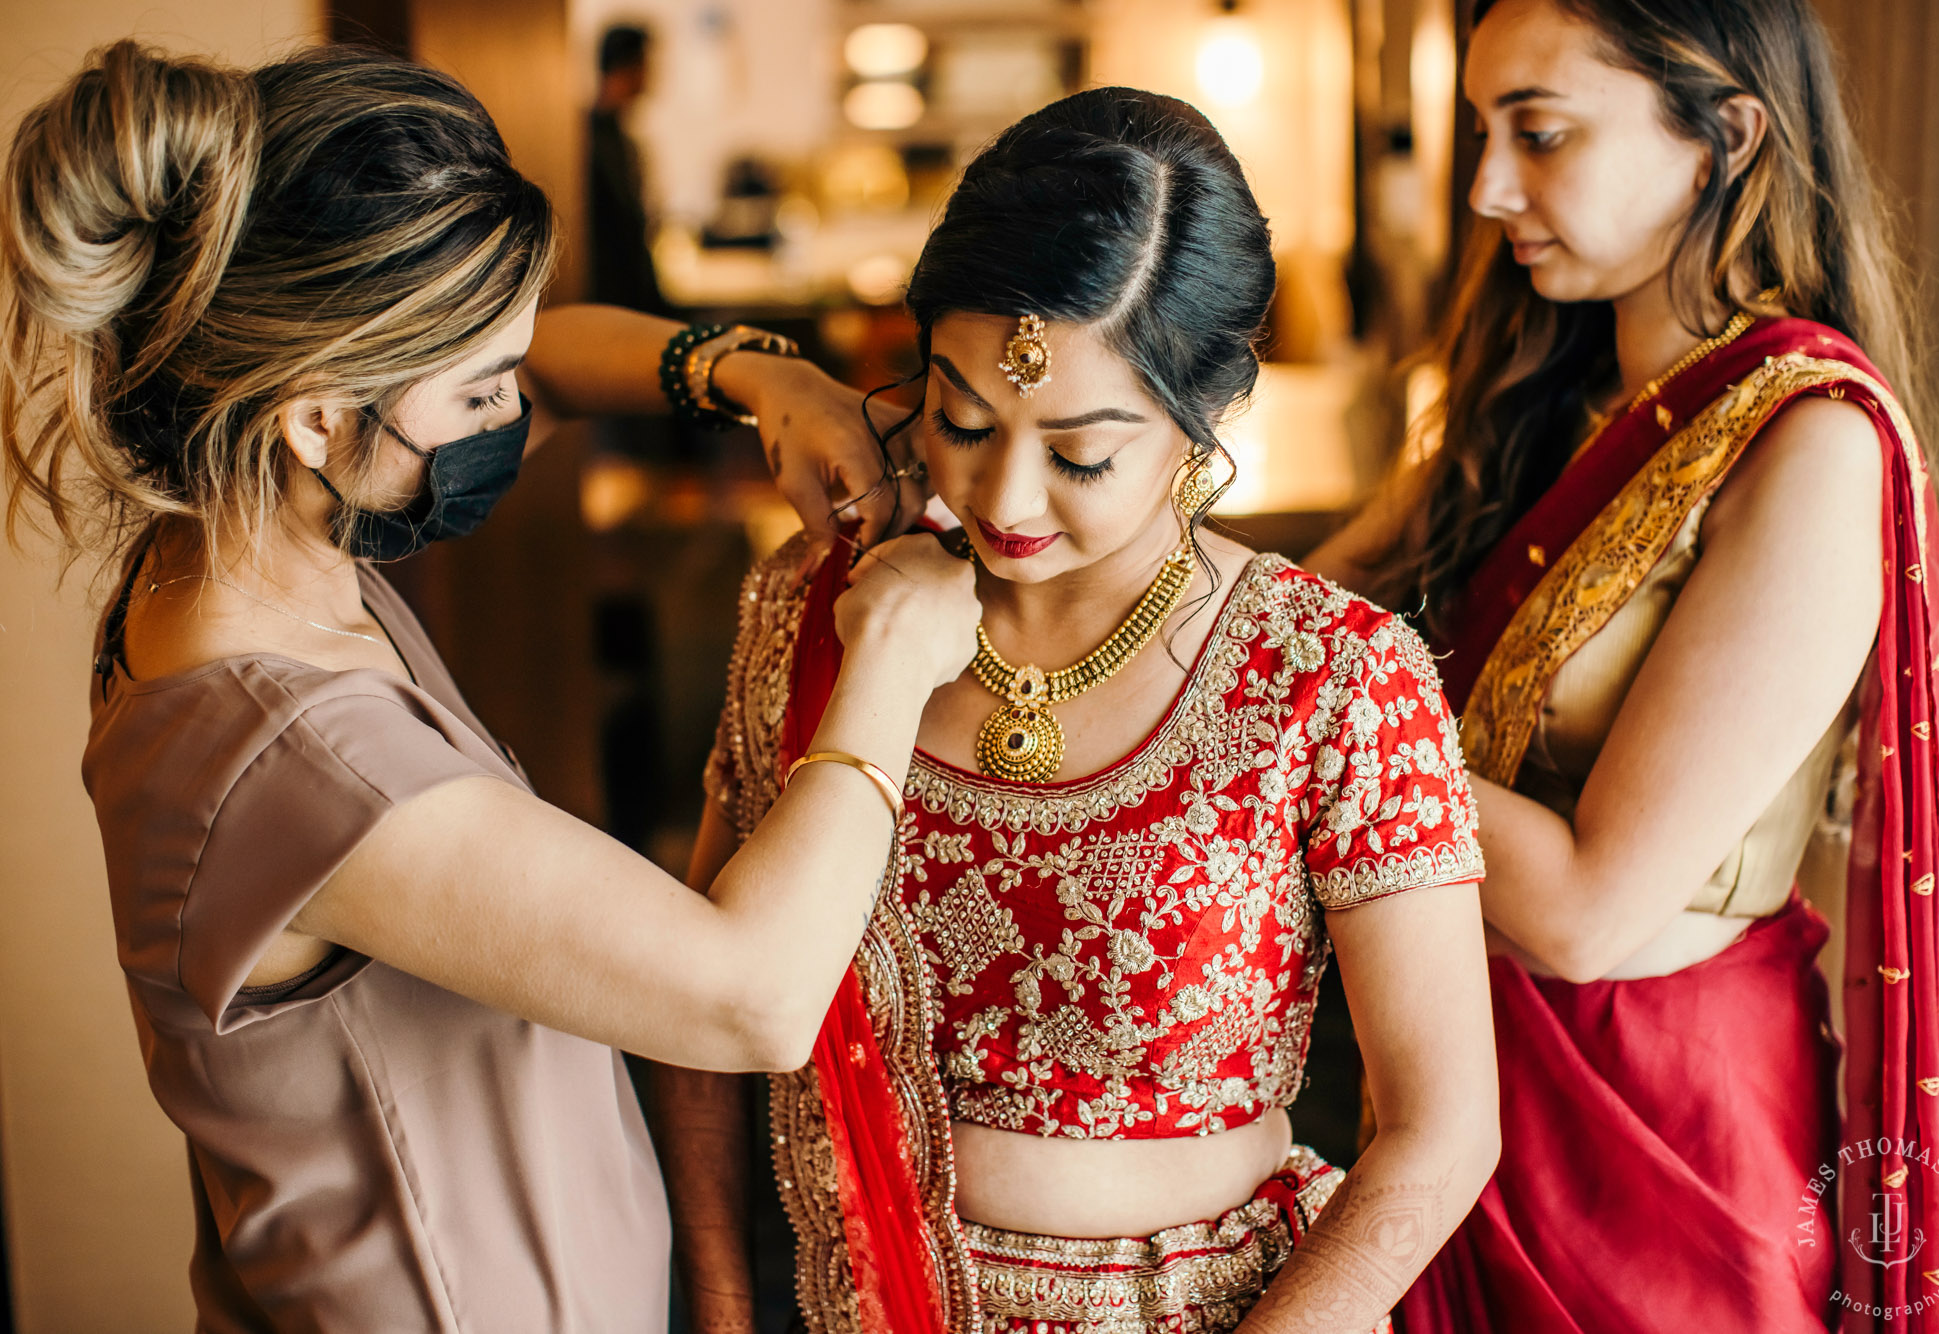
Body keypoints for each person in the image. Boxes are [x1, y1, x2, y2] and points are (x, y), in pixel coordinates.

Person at [0, 41, 974, 1330]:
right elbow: (755, 996)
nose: (516, 405)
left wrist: (755, 376)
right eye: (477, 389)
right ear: (315, 416)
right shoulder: (292, 755)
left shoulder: (230, 541)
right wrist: (895, 648)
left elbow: (555, 355)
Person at [659, 87, 1500, 1334]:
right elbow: (702, 1021)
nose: (1004, 493)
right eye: (959, 418)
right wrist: (725, 1315)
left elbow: (1437, 1133)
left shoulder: (1329, 673)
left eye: (1080, 452)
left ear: (1202, 415)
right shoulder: (822, 618)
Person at [1301, 1, 1939, 1329]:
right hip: (1456, 1075)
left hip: (1655, 1127)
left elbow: (1591, 908)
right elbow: (1303, 618)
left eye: (1538, 135)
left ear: (1726, 135)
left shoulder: (1808, 445)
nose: (1488, 188)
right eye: (1482, 134)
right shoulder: (1544, 395)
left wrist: (1304, 710)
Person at [587, 23, 671, 316]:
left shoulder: (621, 137)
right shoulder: (588, 139)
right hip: (608, 297)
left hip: (625, 295)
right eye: (647, 63)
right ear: (631, 66)